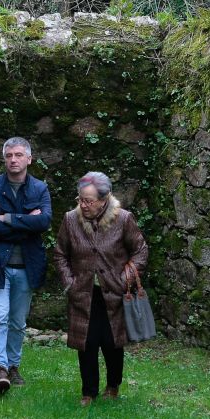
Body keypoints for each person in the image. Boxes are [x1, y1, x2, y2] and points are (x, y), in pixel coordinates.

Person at [53, 172, 148, 406]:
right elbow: (60, 254)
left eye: (89, 201)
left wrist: (125, 279)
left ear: (104, 200)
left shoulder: (124, 219)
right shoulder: (70, 220)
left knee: (112, 342)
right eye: (80, 199)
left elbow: (141, 251)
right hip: (83, 293)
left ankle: (113, 385)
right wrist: (69, 283)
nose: (83, 205)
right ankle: (88, 392)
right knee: (86, 343)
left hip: (114, 293)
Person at [0, 137, 52, 394]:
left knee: (18, 322)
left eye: (19, 155)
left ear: (29, 159)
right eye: (9, 155)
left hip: (27, 266)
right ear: (4, 158)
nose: (13, 160)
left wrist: (7, 218)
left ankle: (14, 365)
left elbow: (44, 223)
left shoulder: (40, 189)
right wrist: (25, 223)